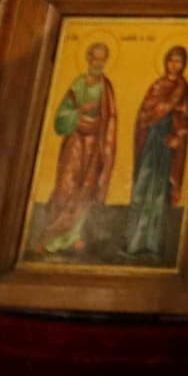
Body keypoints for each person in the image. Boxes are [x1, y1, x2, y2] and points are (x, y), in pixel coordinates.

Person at [35, 42, 120, 254]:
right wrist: (79, 111)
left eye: (103, 59)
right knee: (67, 185)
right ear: (88, 59)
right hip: (75, 142)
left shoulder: (106, 87)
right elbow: (60, 118)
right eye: (95, 58)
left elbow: (111, 118)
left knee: (86, 188)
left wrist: (105, 144)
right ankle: (52, 236)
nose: (99, 63)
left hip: (95, 144)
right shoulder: (78, 84)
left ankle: (74, 234)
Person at [127, 44, 188, 262]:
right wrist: (148, 123)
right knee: (141, 188)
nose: (175, 65)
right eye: (172, 60)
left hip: (166, 143)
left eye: (179, 61)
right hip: (150, 141)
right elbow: (144, 112)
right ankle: (133, 241)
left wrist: (179, 137)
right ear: (166, 61)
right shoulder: (157, 85)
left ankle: (152, 242)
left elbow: (185, 118)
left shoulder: (182, 89)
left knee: (158, 192)